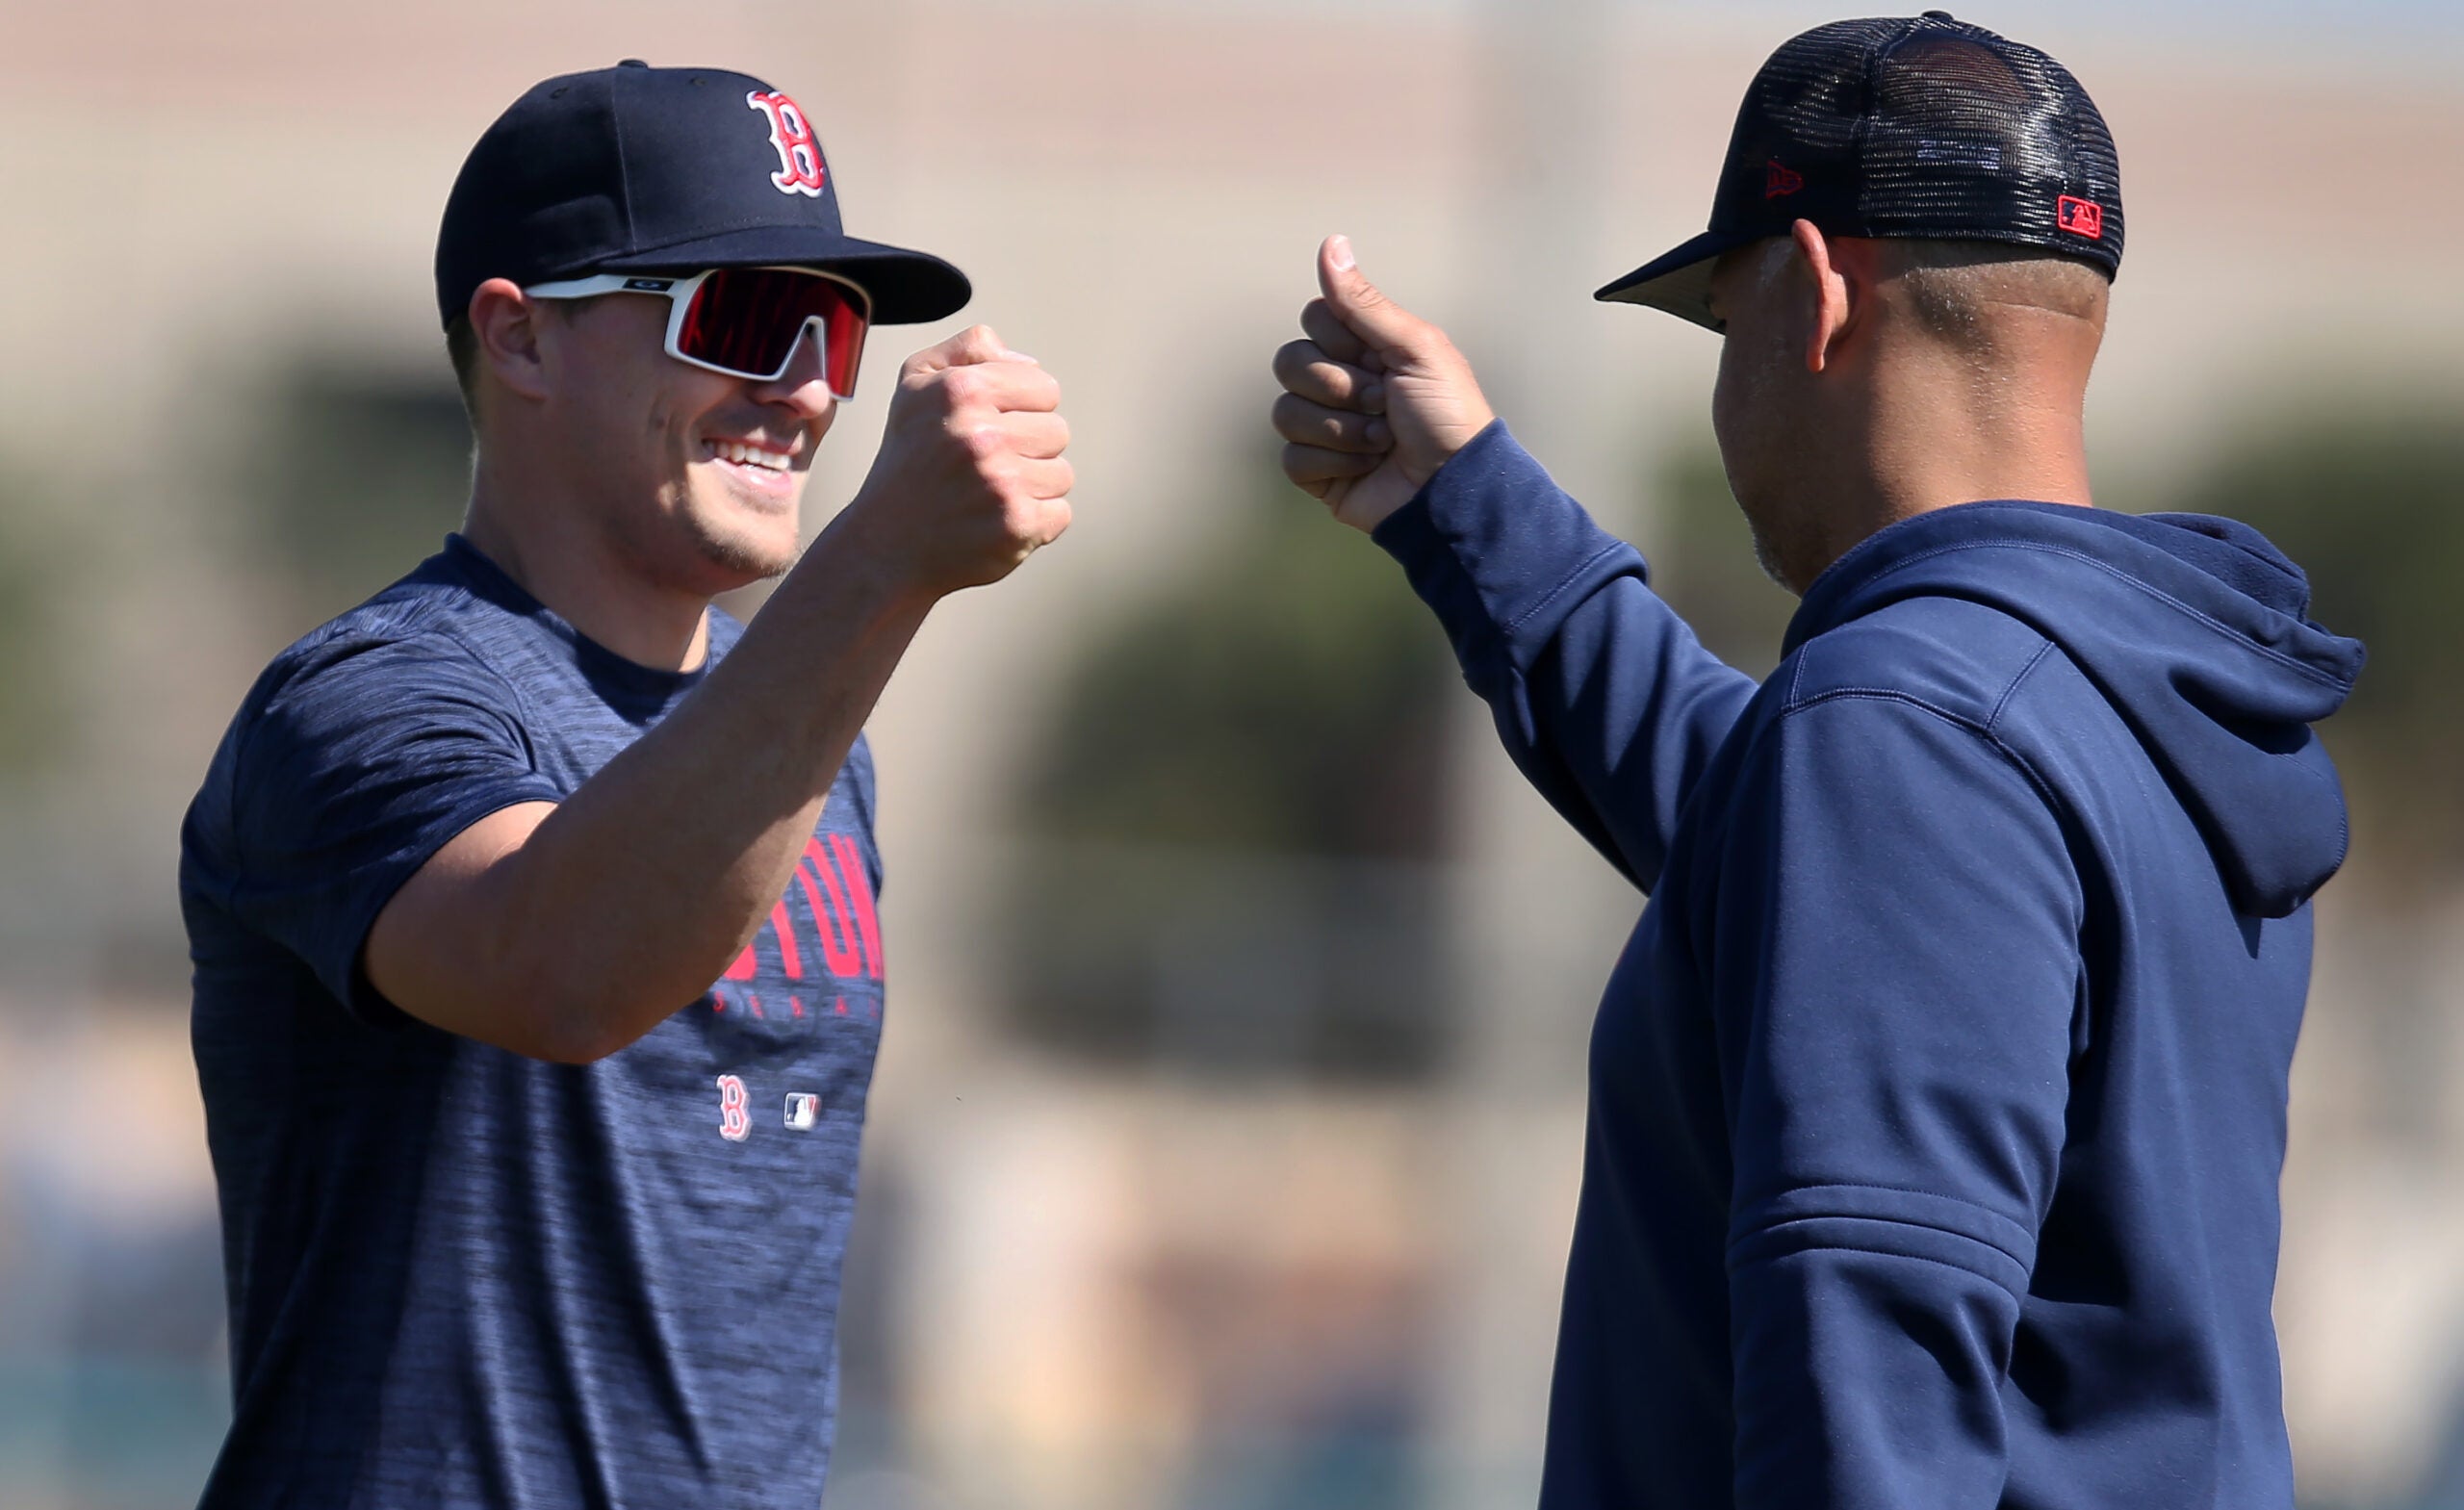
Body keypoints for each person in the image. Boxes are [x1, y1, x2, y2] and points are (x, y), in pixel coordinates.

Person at [1271, 13, 2360, 1508]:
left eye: (1726, 324)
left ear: (1813, 295)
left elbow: (1873, 1403)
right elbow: (1758, 822)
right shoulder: (2121, 703)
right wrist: (1463, 504)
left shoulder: (1907, 728)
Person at [179, 62, 1070, 1507]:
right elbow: (566, 970)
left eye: (833, 328)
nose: (801, 385)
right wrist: (882, 568)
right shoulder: (364, 702)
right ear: (521, 340)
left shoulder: (814, 744)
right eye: (737, 316)